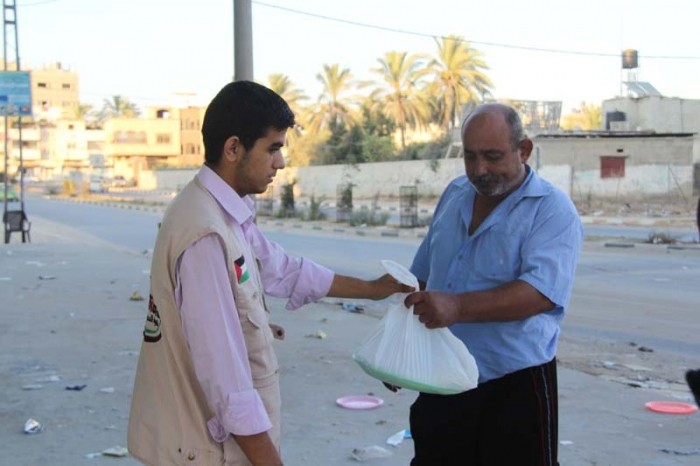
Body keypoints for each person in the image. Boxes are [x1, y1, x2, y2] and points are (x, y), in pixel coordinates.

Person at [127, 80, 410, 466]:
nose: (281, 162)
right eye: (273, 148)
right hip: (209, 450)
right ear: (233, 148)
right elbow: (227, 383)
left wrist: (374, 289)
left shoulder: (227, 215)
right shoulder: (205, 234)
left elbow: (284, 270)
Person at [401, 103, 583, 465]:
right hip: (441, 377)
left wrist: (457, 306)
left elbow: (540, 293)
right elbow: (421, 278)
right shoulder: (455, 193)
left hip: (513, 386)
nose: (479, 169)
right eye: (470, 156)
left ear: (523, 150)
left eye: (492, 156)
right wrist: (401, 349)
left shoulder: (552, 210)